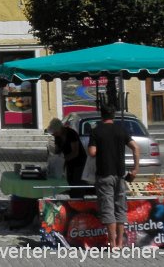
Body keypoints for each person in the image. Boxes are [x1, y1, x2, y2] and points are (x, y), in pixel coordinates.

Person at [86, 105, 140, 248]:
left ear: (101, 115)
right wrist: (135, 169)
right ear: (114, 116)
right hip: (120, 174)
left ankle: (113, 244)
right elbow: (136, 147)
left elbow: (92, 152)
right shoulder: (121, 130)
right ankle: (121, 243)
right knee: (120, 208)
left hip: (104, 174)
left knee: (108, 209)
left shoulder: (96, 131)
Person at [47, 118, 87, 197]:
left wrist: (63, 159)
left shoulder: (71, 134)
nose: (54, 134)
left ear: (60, 129)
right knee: (70, 183)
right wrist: (55, 158)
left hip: (79, 163)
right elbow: (57, 151)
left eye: (55, 132)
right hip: (69, 163)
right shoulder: (57, 136)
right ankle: (72, 200)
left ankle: (78, 201)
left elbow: (75, 152)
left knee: (77, 184)